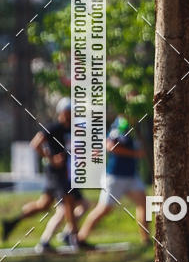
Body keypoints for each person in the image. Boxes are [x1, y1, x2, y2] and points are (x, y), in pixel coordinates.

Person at [2, 97, 79, 248]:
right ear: (63, 112)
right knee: (69, 200)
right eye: (70, 111)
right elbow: (35, 144)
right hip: (55, 172)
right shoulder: (54, 127)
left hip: (62, 172)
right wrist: (51, 158)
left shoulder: (71, 129)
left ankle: (13, 222)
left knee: (43, 205)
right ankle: (73, 237)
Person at [76, 116, 150, 247]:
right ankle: (80, 238)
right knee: (104, 209)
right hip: (115, 177)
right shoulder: (121, 124)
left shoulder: (136, 126)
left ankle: (146, 239)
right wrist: (134, 154)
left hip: (131, 176)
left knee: (144, 203)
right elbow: (110, 146)